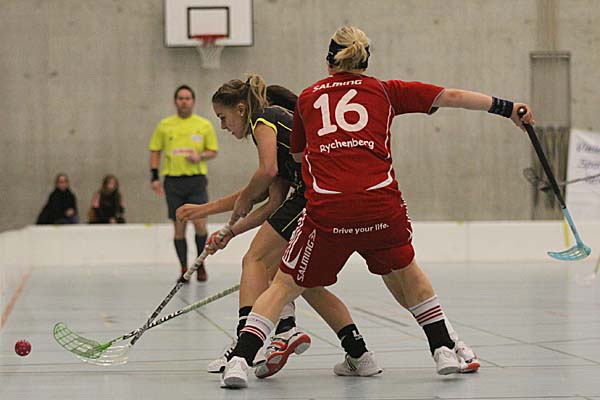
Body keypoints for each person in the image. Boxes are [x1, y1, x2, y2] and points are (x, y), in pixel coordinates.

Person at [219, 26, 536, 389]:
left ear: (329, 62)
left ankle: (240, 361)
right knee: (406, 272)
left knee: (283, 285)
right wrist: (508, 109)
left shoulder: (308, 98)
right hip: (380, 208)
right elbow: (452, 96)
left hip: (329, 212)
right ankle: (444, 348)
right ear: (365, 62)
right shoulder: (386, 91)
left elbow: (298, 157)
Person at [177, 77, 382, 379]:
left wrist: (239, 206)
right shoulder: (282, 134)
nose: (223, 126)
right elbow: (272, 202)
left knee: (255, 260)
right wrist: (227, 227)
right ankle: (358, 353)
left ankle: (248, 345)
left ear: (241, 108)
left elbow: (265, 172)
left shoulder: (264, 118)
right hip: (330, 198)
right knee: (300, 281)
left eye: (223, 117)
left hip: (314, 197)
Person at [149, 85, 219, 282]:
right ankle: (183, 268)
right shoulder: (165, 125)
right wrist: (154, 177)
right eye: (180, 98)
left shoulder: (203, 125)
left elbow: (213, 150)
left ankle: (200, 264)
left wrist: (200, 156)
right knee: (179, 226)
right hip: (173, 181)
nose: (184, 101)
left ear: (193, 101)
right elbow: (155, 151)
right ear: (175, 101)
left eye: (187, 98)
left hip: (195, 181)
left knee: (200, 224)